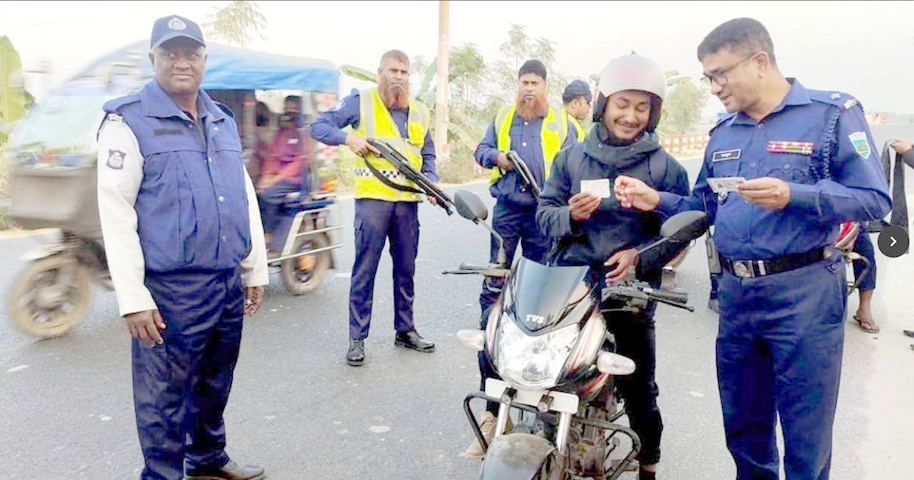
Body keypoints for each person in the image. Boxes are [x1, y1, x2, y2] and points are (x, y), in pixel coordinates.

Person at [613, 18, 890, 480]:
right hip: (738, 298)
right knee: (744, 431)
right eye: (708, 77)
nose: (713, 87)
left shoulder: (830, 116)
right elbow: (705, 206)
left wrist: (794, 195)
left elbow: (874, 200)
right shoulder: (724, 132)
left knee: (805, 438)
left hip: (804, 295)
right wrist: (655, 199)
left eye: (720, 74)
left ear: (760, 62)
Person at [96, 15, 269, 480]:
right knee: (164, 398)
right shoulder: (128, 122)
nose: (181, 62)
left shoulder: (221, 120)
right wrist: (133, 298)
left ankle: (207, 457)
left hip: (224, 282)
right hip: (171, 291)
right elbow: (116, 212)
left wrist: (254, 268)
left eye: (190, 53)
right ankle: (163, 475)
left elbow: (243, 194)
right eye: (170, 53)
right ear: (153, 59)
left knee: (215, 381)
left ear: (204, 59)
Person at [537, 54, 690, 479]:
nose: (631, 116)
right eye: (623, 104)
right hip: (571, 288)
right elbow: (543, 215)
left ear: (654, 113)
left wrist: (639, 255)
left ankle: (648, 463)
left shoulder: (664, 167)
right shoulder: (570, 159)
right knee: (545, 374)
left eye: (642, 107)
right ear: (604, 104)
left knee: (638, 388)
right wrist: (569, 215)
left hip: (630, 292)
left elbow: (681, 228)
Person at [464, 59, 578, 459]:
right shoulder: (503, 116)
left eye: (535, 82)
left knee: (544, 304)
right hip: (507, 215)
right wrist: (498, 158)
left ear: (546, 86)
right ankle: (494, 412)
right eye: (524, 82)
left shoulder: (564, 123)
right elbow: (480, 151)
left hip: (546, 216)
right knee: (494, 303)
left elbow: (581, 164)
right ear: (518, 85)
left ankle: (548, 406)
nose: (529, 88)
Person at [310, 49, 438, 366]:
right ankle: (357, 339)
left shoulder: (420, 111)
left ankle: (405, 330)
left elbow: (428, 154)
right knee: (365, 272)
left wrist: (432, 182)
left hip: (407, 204)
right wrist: (348, 139)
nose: (398, 77)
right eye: (393, 70)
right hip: (373, 204)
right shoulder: (361, 101)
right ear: (381, 72)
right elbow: (319, 126)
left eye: (404, 72)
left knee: (406, 270)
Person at [258, 95, 309, 254]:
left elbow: (300, 163)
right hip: (278, 177)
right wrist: (266, 177)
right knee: (255, 192)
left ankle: (269, 235)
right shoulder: (283, 132)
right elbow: (272, 156)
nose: (289, 112)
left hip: (295, 179)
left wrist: (274, 179)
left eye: (293, 109)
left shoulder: (304, 133)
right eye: (287, 109)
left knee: (268, 195)